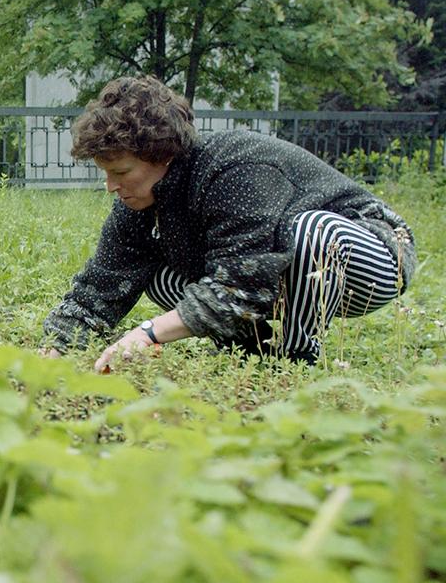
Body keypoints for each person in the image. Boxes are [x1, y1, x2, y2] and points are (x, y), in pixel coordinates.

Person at [43, 76, 416, 369]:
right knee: (158, 276)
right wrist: (52, 353)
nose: (110, 186)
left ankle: (293, 360)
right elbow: (101, 285)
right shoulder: (137, 204)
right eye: (106, 174)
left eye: (121, 172)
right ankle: (252, 352)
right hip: (279, 272)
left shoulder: (232, 169)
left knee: (312, 232)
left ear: (161, 154)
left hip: (371, 256)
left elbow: (241, 284)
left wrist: (148, 333)